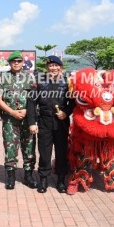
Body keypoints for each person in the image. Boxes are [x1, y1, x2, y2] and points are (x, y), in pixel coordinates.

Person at [27, 56, 75, 193]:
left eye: (56, 65)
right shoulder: (39, 82)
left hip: (61, 123)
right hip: (44, 121)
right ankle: (43, 180)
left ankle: (61, 180)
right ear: (47, 68)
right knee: (44, 152)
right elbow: (31, 103)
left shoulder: (67, 82)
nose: (53, 68)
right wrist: (32, 123)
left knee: (61, 152)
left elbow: (72, 102)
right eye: (50, 66)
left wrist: (66, 112)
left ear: (61, 67)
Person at [0, 50, 37, 190]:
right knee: (10, 148)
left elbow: (34, 98)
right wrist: (12, 112)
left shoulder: (30, 78)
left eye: (19, 61)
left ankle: (28, 176)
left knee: (29, 148)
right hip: (10, 120)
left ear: (22, 62)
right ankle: (10, 177)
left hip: (27, 119)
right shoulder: (2, 77)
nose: (16, 63)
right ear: (10, 63)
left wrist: (26, 111)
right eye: (14, 61)